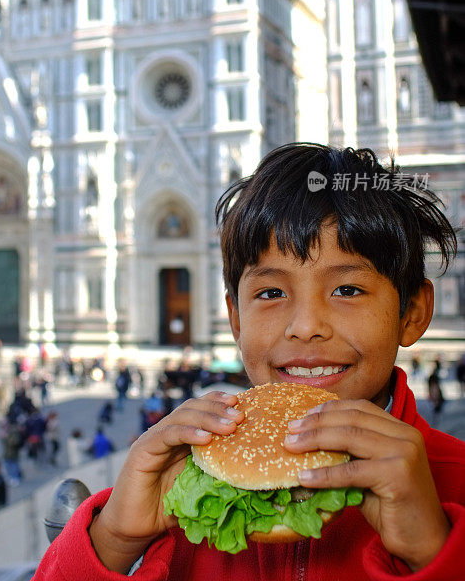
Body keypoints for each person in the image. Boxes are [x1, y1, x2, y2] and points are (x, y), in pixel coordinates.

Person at [33, 143, 465, 580]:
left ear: (412, 313)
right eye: (271, 293)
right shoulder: (187, 488)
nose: (305, 326)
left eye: (347, 290)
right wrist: (115, 539)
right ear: (235, 319)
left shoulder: (453, 481)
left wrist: (433, 552)